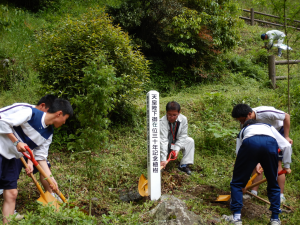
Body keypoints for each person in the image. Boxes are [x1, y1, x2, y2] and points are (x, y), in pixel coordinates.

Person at [0, 98, 73, 224]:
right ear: (59, 113)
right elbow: (2, 122)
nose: (64, 122)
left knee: (11, 193)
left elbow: (40, 158)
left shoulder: (48, 134)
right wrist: (16, 141)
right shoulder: (30, 113)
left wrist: (51, 180)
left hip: (13, 158)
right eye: (65, 118)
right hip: (1, 149)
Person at [222, 119, 292, 225]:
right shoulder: (269, 127)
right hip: (270, 144)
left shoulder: (244, 131)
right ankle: (275, 219)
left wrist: (241, 181)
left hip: (249, 144)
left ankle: (236, 218)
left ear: (247, 125)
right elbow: (286, 145)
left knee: (236, 183)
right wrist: (286, 166)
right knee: (273, 184)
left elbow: (239, 153)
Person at [231, 104, 292, 203]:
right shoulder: (245, 124)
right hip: (258, 138)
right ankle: (253, 192)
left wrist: (286, 137)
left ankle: (280, 195)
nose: (241, 123)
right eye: (240, 121)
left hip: (275, 132)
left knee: (277, 164)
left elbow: (286, 116)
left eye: (242, 120)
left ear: (250, 114)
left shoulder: (265, 113)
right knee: (256, 165)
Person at [0, 95, 57, 198]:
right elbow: (3, 120)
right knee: (12, 169)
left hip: (23, 149)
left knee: (45, 166)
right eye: (49, 112)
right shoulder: (25, 110)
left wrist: (30, 162)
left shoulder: (46, 129)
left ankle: (52, 195)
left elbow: (33, 143)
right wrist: (16, 142)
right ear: (42, 106)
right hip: (9, 144)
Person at [160, 101, 195, 175]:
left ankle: (184, 165)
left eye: (174, 115)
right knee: (157, 143)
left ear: (179, 113)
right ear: (166, 112)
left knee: (190, 141)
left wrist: (176, 149)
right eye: (169, 115)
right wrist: (163, 159)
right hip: (166, 143)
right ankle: (160, 163)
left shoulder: (183, 119)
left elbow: (183, 136)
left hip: (176, 142)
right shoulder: (162, 122)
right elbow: (163, 140)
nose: (171, 117)